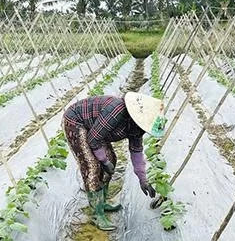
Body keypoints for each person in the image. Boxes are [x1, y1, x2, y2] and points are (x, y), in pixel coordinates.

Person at [62, 91, 166, 231]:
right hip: (77, 121)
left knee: (112, 159)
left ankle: (102, 202)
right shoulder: (117, 111)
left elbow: (136, 153)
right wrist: (104, 162)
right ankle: (96, 214)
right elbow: (93, 140)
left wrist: (143, 179)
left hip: (95, 128)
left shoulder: (137, 128)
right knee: (92, 166)